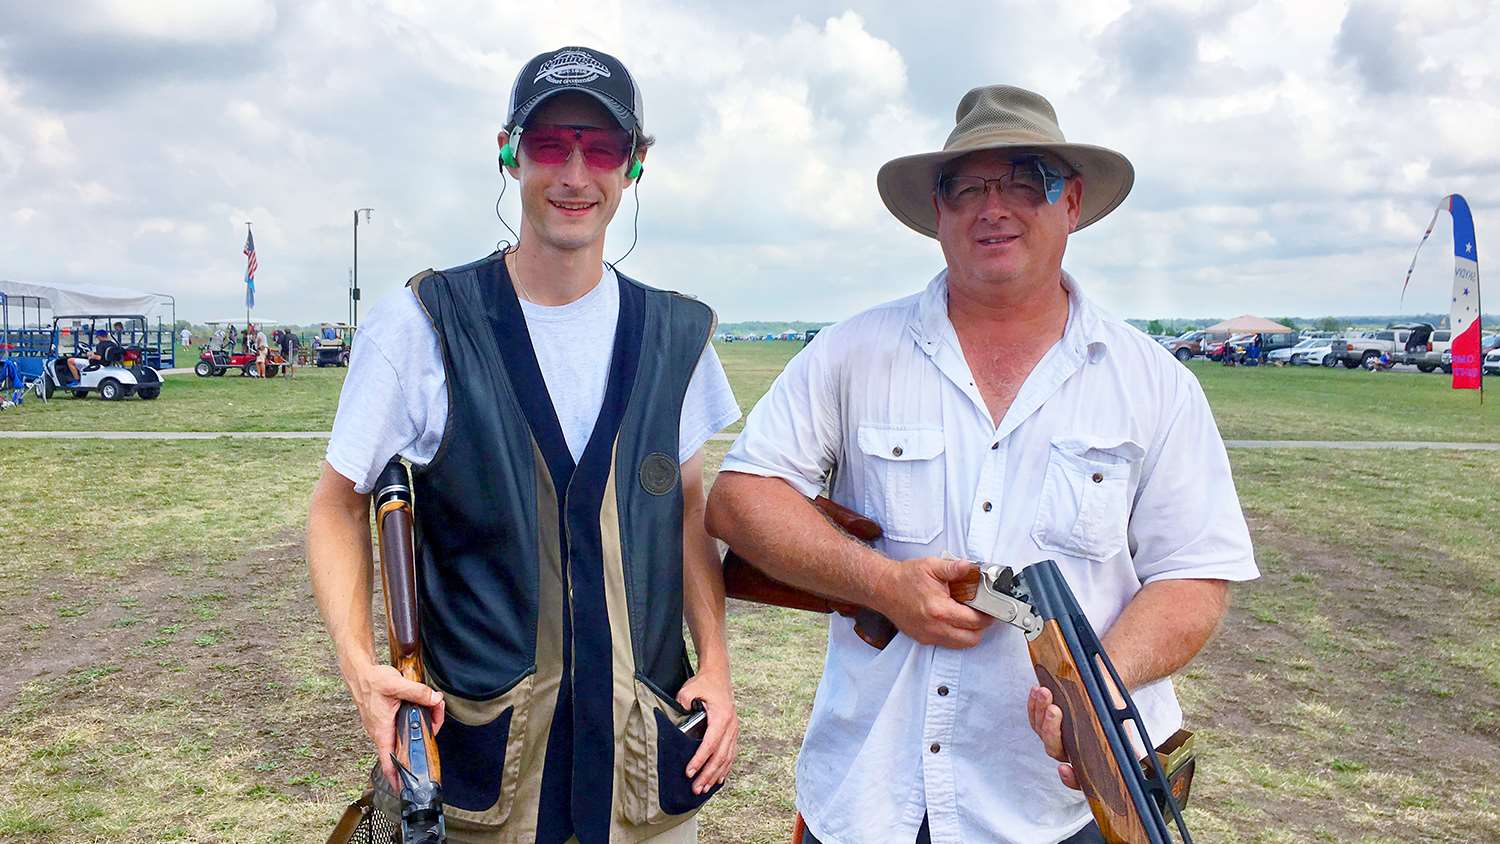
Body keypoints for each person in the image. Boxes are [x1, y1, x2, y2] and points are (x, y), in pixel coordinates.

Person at [706, 85, 1260, 844]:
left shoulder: (1155, 383)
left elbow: (1195, 575)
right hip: (874, 801)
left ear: (1072, 203)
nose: (992, 207)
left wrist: (1094, 688)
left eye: (1025, 179)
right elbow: (740, 499)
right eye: (966, 186)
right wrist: (883, 586)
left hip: (1062, 811)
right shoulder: (851, 351)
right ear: (938, 213)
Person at [307, 46, 741, 843]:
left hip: (640, 781)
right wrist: (359, 667)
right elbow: (339, 504)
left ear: (635, 166)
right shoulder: (423, 325)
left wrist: (713, 661)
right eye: (550, 143)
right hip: (481, 784)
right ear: (508, 152)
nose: (575, 172)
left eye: (601, 147)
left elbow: (687, 512)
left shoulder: (678, 337)